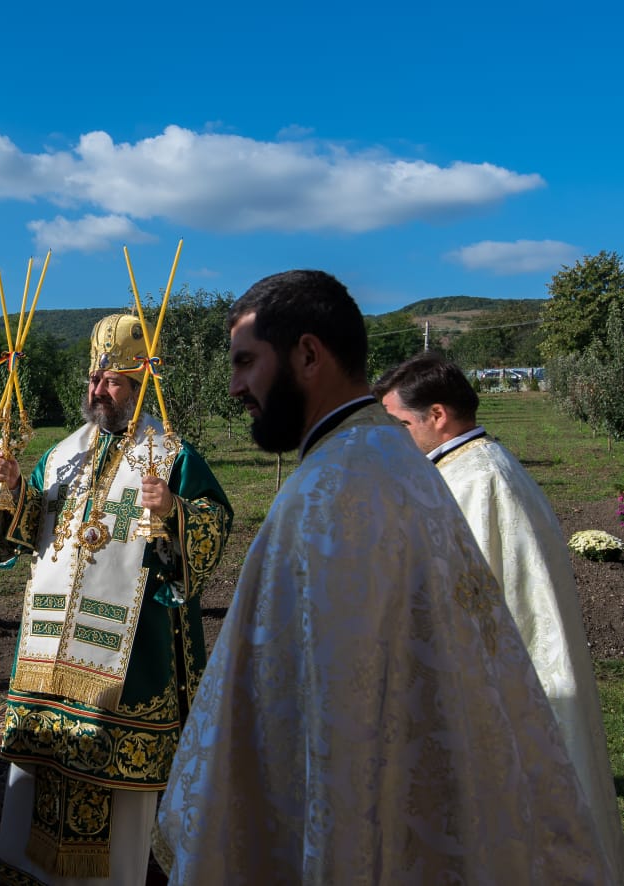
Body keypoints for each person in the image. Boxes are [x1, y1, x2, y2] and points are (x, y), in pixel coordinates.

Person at [158, 270, 611, 883]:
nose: (235, 386)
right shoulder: (396, 458)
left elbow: (308, 708)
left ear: (308, 354)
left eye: (245, 362)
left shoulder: (328, 494)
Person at [0, 313, 232, 885]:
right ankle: (33, 861)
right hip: (52, 650)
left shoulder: (172, 456)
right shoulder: (63, 453)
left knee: (115, 761)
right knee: (49, 752)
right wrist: (14, 490)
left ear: (141, 384)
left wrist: (173, 510)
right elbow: (31, 536)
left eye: (113, 380)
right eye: (94, 378)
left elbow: (214, 524)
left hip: (131, 646)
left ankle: (116, 875)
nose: (99, 391)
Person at [375, 352, 624, 873]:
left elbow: (453, 602)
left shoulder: (474, 482)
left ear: (437, 415)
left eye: (400, 424)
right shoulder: (479, 466)